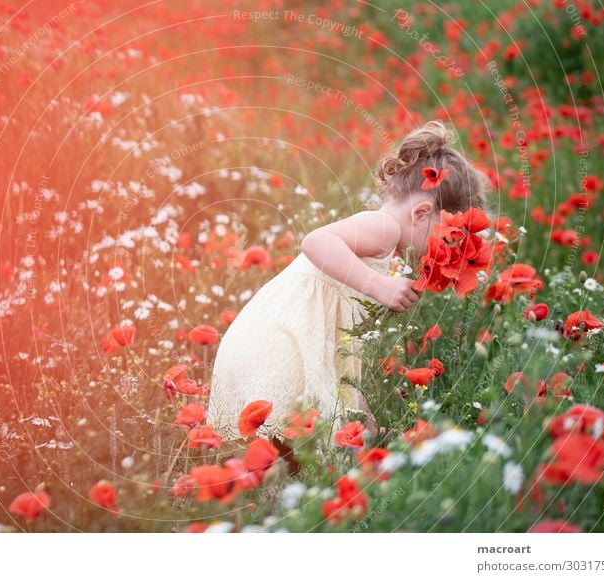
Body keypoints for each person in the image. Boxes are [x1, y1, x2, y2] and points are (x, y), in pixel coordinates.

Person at [206, 120, 492, 467]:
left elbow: (339, 337)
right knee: (295, 451)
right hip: (279, 347)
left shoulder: (387, 240)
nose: (447, 248)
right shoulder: (383, 227)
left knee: (314, 450)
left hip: (285, 344)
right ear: (422, 213)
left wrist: (355, 402)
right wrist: (380, 286)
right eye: (448, 237)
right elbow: (316, 241)